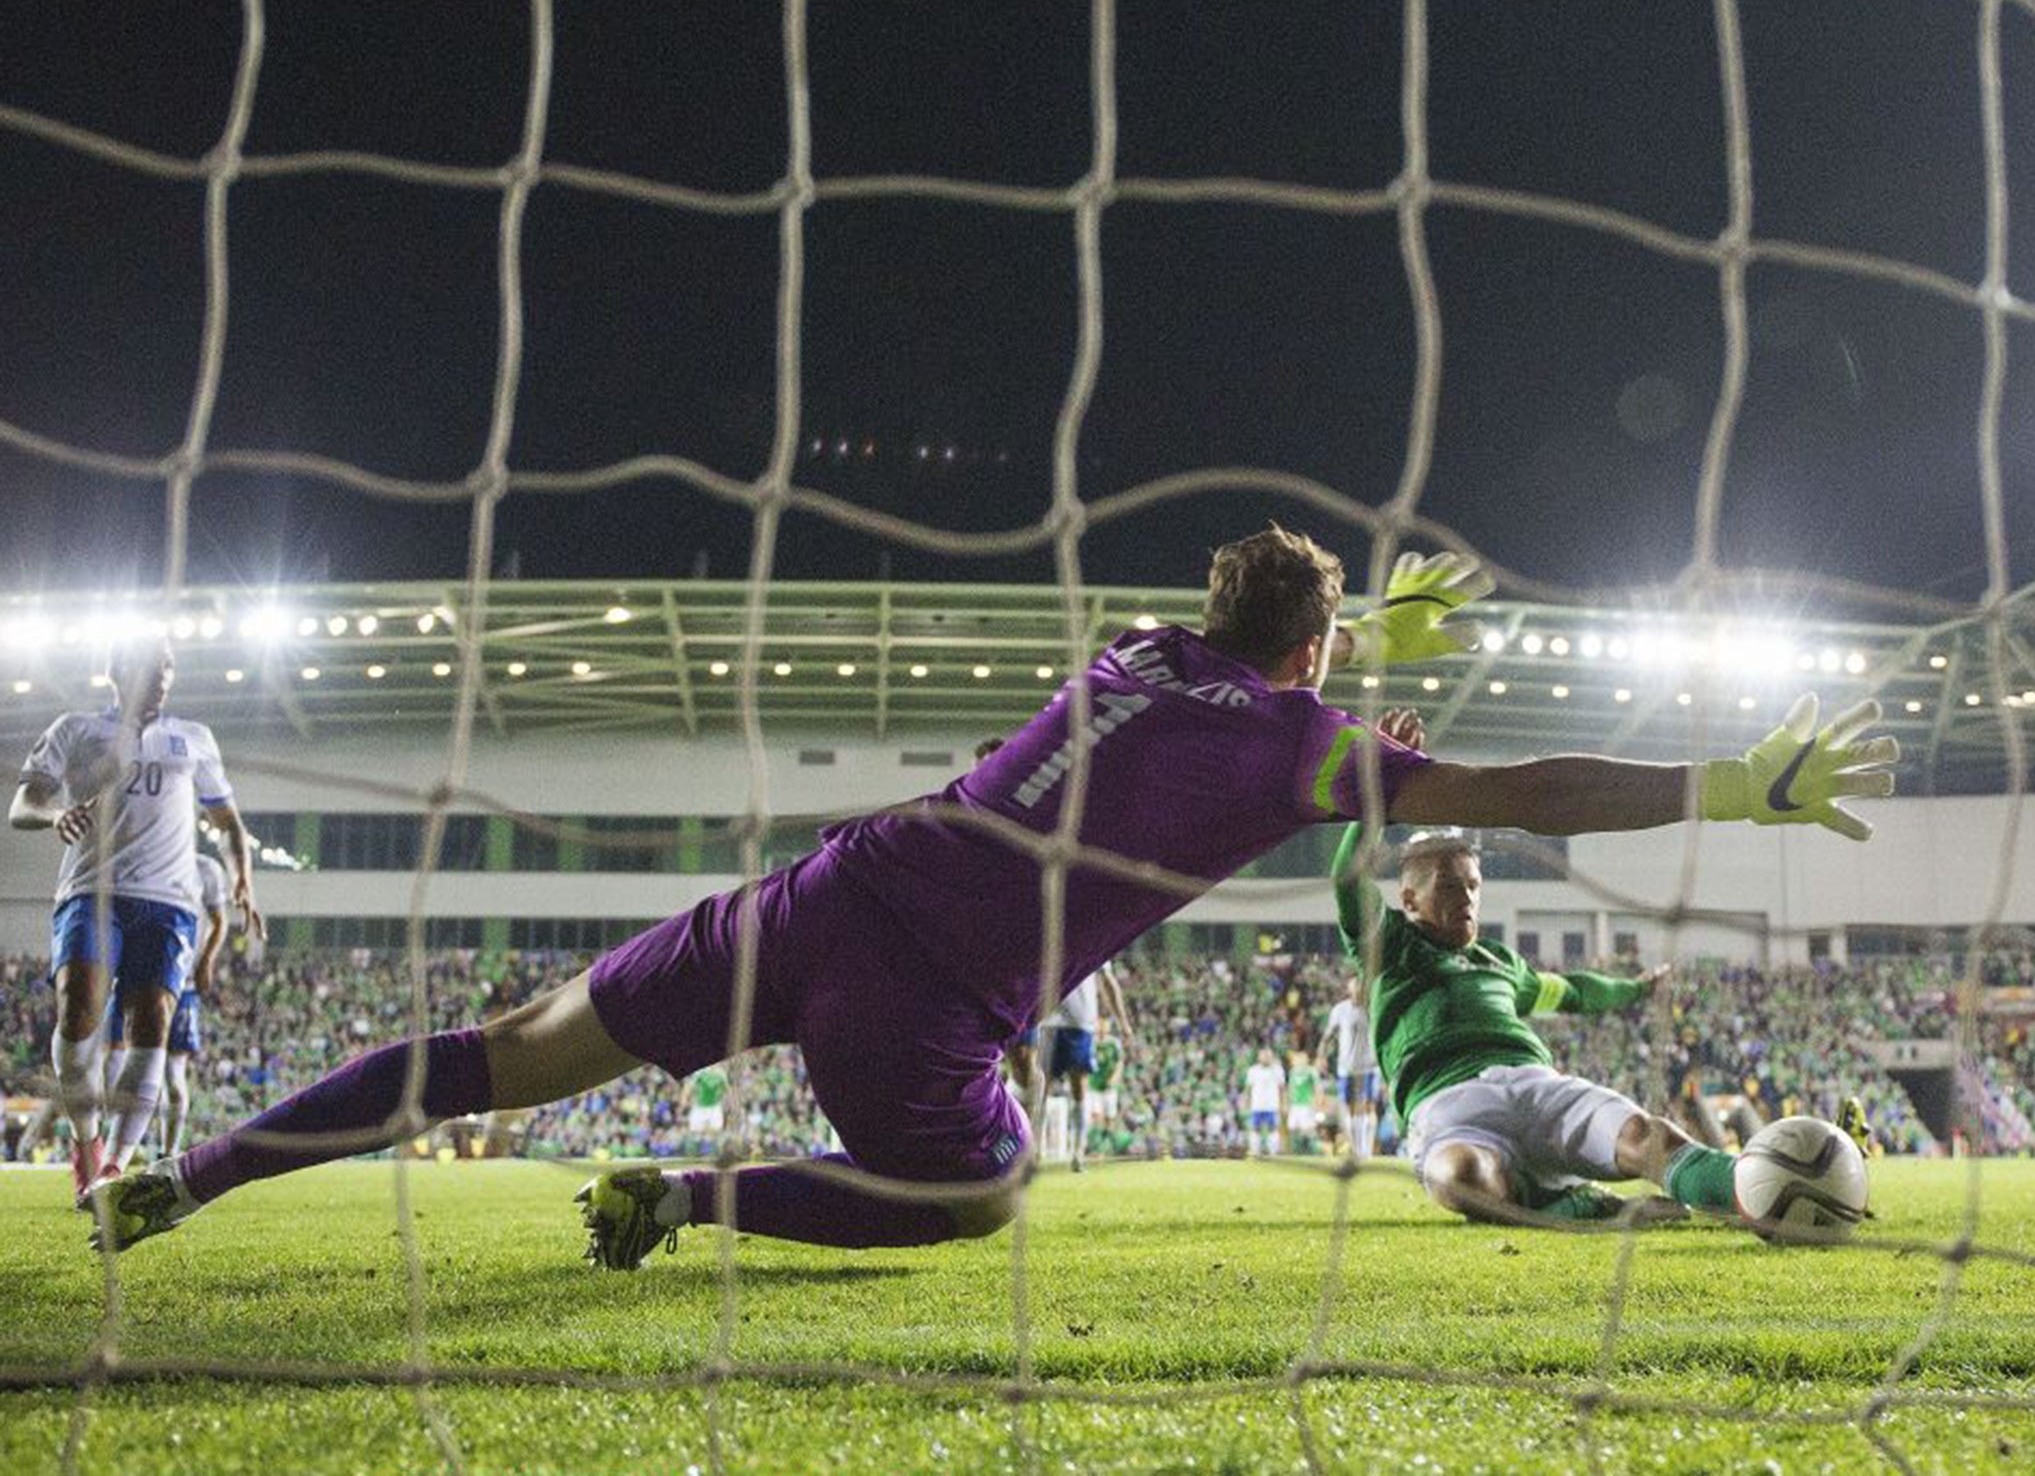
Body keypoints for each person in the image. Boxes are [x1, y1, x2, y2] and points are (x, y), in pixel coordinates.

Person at [89, 530, 1894, 1263]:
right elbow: (1524, 789)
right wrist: (1735, 780)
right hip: (932, 985)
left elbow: (1244, 666)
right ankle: (690, 1199)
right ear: (1320, 648)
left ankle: (199, 1172)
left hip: (832, 886)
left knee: (503, 1049)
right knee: (982, 1190)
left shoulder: (1129, 650)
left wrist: (1363, 654)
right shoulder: (1291, 749)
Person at [1331, 704, 1886, 1224]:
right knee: (1462, 1177)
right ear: (1408, 899)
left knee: (1651, 1138)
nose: (1468, 899)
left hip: (1539, 1085)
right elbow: (1347, 878)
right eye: (1450, 886)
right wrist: (1377, 790)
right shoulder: (1391, 950)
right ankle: (1574, 1206)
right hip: (1451, 1108)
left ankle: (1764, 1187)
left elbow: (1574, 991)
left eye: (1473, 885)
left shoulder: (1499, 965)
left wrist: (1634, 991)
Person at [9, 637, 262, 1199]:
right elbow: (23, 805)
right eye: (151, 665)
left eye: (169, 665)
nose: (163, 675)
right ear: (116, 671)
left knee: (152, 1028)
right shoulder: (75, 730)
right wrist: (54, 816)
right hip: (92, 891)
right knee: (79, 1014)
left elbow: (226, 820)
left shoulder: (194, 739)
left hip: (169, 902)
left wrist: (241, 874)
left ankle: (114, 1168)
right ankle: (86, 1140)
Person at [101, 843, 229, 1161]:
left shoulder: (206, 869)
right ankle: (127, 1147)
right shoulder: (146, 859)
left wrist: (206, 961)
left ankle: (168, 1152)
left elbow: (219, 921)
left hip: (182, 986)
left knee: (173, 1074)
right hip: (140, 979)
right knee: (131, 1067)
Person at [1038, 964, 1134, 1172]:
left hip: (1079, 1021)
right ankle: (1033, 1150)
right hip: (1046, 1019)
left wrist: (1123, 1022)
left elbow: (1107, 980)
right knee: (1040, 1088)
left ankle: (1077, 1153)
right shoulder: (1043, 931)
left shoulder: (1093, 935)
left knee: (1078, 1088)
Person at [1316, 975, 1382, 1157]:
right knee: (1350, 1108)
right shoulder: (1340, 1010)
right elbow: (1328, 1035)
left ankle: (1367, 1151)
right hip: (1346, 1067)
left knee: (1369, 1106)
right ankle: (1357, 1149)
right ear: (1349, 989)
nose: (1358, 991)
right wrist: (1321, 1055)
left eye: (1361, 987)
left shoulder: (1373, 1008)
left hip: (1369, 1066)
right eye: (1355, 987)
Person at [1243, 1045, 1285, 1156]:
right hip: (1257, 1105)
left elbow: (1282, 1089)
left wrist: (1283, 1103)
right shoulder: (1253, 1070)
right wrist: (1246, 1101)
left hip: (1272, 1105)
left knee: (1273, 1128)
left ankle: (1273, 1152)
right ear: (1259, 1057)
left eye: (1268, 1056)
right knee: (1255, 1128)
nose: (1266, 1058)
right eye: (1263, 1055)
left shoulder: (1278, 1070)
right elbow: (1248, 1088)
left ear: (1272, 1057)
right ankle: (1255, 1151)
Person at [1284, 1049, 1322, 1155]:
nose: (1300, 1060)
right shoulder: (1293, 1071)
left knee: (1308, 1129)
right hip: (1295, 1105)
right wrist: (1287, 1102)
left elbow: (1318, 1087)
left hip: (1307, 1104)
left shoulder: (1311, 1071)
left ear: (1306, 1059)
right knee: (1292, 1127)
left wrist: (1318, 1102)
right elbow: (1290, 1088)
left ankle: (1312, 1151)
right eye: (1298, 1058)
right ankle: (1296, 1151)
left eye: (1302, 1058)